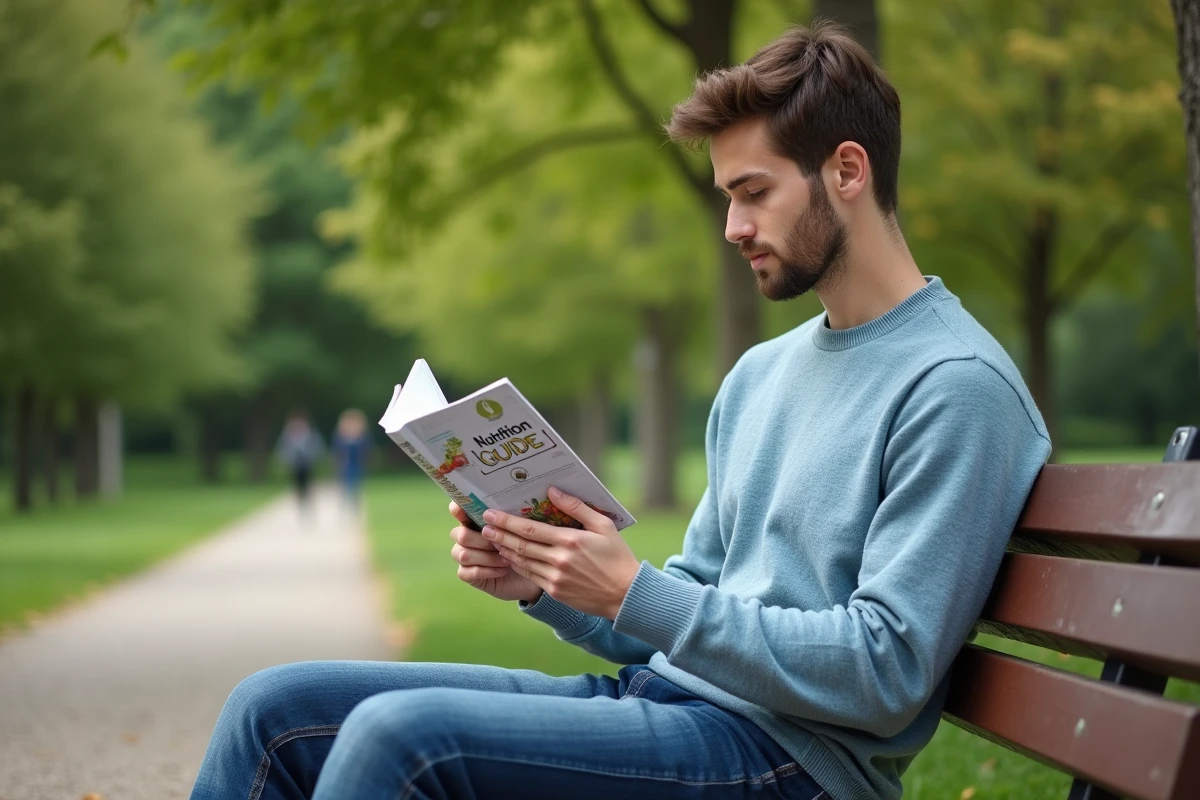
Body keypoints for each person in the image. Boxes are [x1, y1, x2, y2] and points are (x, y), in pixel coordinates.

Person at [191, 23, 1051, 800]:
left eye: (753, 192)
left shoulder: (956, 386)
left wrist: (635, 593)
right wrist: (552, 584)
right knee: (274, 709)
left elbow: (885, 671)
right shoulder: (761, 374)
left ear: (848, 171)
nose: (732, 226)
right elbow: (689, 607)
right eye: (726, 196)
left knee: (402, 741)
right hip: (670, 706)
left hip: (792, 764)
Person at [274, 410, 324, 517]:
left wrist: (312, 456)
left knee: (310, 485)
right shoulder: (287, 434)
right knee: (297, 486)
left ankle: (309, 505)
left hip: (308, 464)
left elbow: (317, 448)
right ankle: (300, 506)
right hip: (294, 464)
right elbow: (282, 449)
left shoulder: (311, 433)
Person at [332, 408, 371, 513]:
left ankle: (354, 505)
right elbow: (337, 451)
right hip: (345, 465)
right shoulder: (341, 437)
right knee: (345, 485)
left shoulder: (361, 437)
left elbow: (366, 451)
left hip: (356, 465)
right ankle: (345, 506)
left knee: (355, 485)